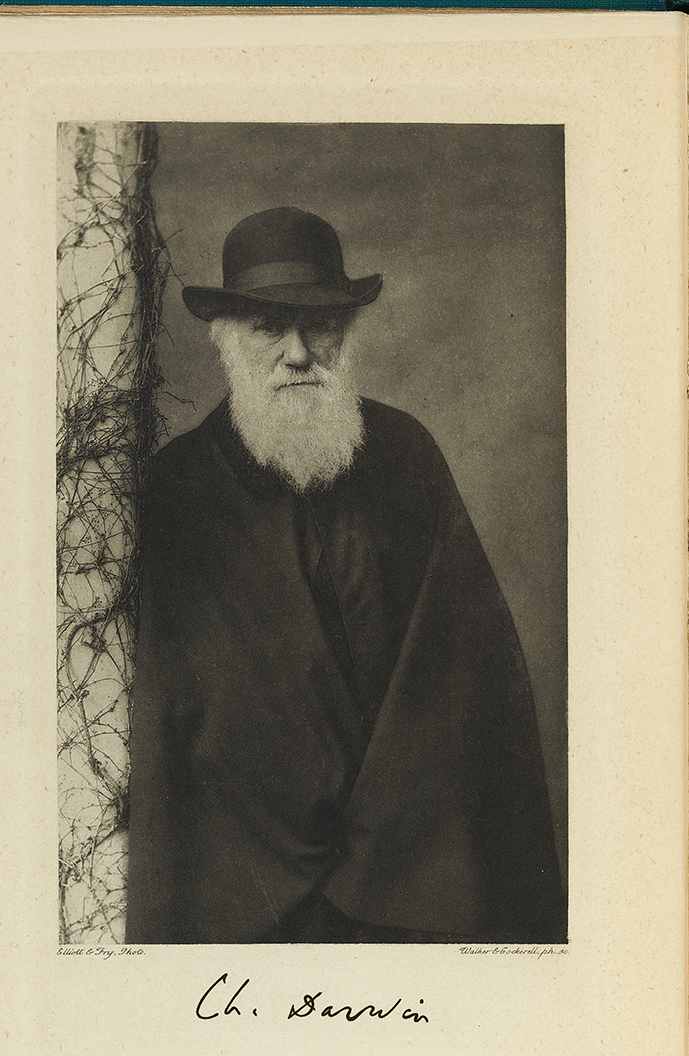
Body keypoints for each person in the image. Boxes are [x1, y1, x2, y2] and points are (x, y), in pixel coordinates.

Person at [125, 206, 566, 945]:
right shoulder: (180, 488)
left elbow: (461, 673)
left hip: (410, 876)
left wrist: (376, 860)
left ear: (348, 332)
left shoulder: (406, 455)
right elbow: (180, 711)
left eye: (319, 325)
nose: (298, 353)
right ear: (225, 338)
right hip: (248, 892)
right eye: (269, 327)